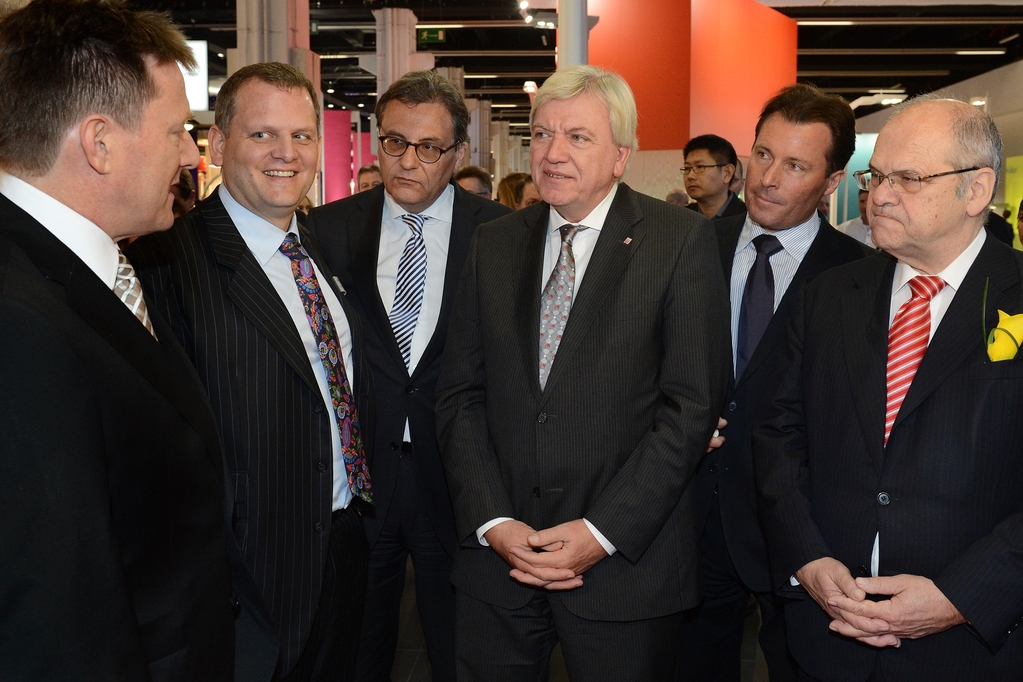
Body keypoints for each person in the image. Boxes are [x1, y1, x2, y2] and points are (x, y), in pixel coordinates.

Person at [435, 64, 730, 681]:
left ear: (621, 156)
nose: (553, 153)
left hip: (624, 567)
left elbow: (690, 408)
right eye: (542, 134)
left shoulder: (679, 241)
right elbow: (460, 393)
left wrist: (601, 532)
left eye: (578, 136)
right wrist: (494, 522)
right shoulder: (494, 243)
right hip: (501, 563)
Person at [0, 1, 239, 679]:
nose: (193, 155)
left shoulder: (84, 272)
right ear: (99, 143)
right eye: (178, 132)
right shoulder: (20, 321)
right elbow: (51, 611)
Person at [754, 95, 1023, 681]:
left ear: (977, 190)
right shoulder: (828, 294)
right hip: (827, 636)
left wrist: (960, 596)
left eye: (909, 178)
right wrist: (808, 557)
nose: (879, 197)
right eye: (876, 177)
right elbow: (778, 433)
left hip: (976, 647)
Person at [129, 62, 373, 682]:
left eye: (302, 135)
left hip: (343, 544)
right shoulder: (168, 263)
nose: (286, 154)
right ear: (218, 145)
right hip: (248, 577)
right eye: (263, 135)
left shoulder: (318, 246)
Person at [306, 70, 511, 682]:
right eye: (394, 142)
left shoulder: (502, 233)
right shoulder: (329, 229)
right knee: (359, 637)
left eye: (428, 148)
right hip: (362, 473)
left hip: (459, 473)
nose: (407, 162)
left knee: (459, 640)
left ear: (458, 154)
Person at [678, 83, 872, 682]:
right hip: (695, 514)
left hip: (807, 526)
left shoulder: (861, 277)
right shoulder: (688, 248)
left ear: (831, 182)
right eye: (762, 154)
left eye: (795, 165)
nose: (768, 177)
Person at [683, 134, 746, 219]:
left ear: (727, 173)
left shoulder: (748, 219)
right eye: (687, 168)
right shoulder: (681, 218)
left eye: (700, 167)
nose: (690, 176)